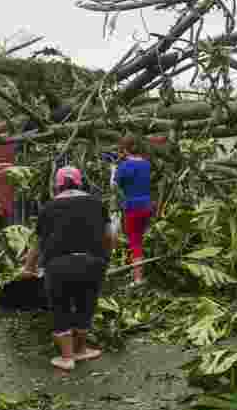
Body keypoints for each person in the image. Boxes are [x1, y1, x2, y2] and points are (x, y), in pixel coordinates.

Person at [21, 166, 116, 372]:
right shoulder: (97, 204)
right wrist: (106, 258)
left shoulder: (48, 208)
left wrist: (28, 268)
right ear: (80, 182)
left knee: (60, 307)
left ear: (58, 186)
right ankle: (81, 350)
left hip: (58, 266)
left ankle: (67, 357)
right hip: (92, 263)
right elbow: (110, 236)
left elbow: (37, 244)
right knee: (85, 304)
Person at [114, 135, 153, 286]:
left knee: (135, 242)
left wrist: (115, 169)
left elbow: (115, 186)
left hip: (132, 207)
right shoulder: (146, 164)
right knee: (138, 240)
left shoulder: (124, 166)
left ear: (124, 150)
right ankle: (137, 271)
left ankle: (137, 279)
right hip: (147, 206)